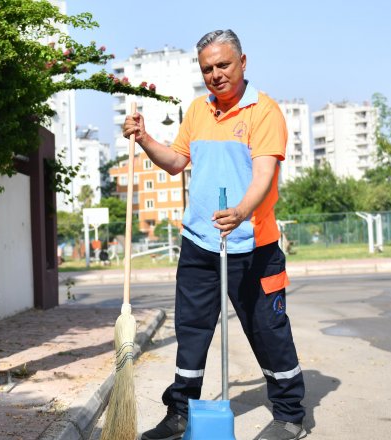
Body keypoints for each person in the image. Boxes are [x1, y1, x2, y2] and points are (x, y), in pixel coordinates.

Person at [124, 29, 306, 440]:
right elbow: (175, 162)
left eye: (223, 64)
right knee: (191, 334)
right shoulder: (197, 110)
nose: (216, 74)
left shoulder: (264, 112)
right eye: (207, 68)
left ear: (243, 62)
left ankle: (289, 414)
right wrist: (145, 138)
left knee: (268, 332)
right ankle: (181, 413)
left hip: (254, 246)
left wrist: (241, 211)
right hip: (200, 245)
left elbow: (263, 174)